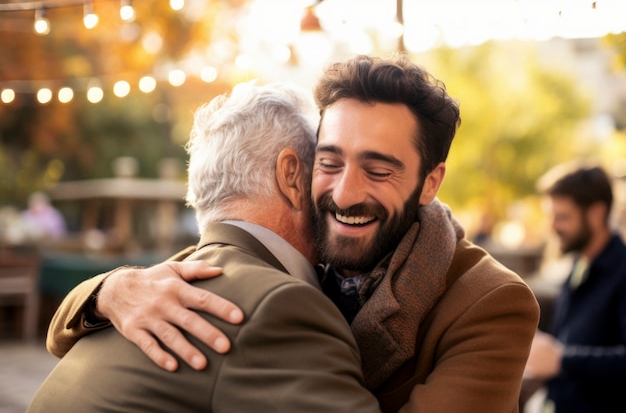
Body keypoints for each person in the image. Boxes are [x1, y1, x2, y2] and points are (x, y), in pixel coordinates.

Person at [45, 54, 540, 413]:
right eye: (329, 161)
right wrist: (109, 290)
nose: (345, 194)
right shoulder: (282, 266)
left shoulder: (490, 301)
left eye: (378, 169)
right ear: (297, 173)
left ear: (430, 182)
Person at [27, 82, 381, 413]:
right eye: (326, 165)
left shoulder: (154, 287)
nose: (341, 190)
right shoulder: (280, 305)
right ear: (290, 175)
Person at [523, 163, 626, 413]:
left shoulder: (622, 272)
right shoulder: (579, 265)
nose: (553, 226)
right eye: (552, 216)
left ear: (597, 213)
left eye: (563, 217)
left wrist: (562, 360)